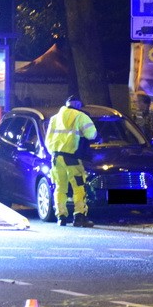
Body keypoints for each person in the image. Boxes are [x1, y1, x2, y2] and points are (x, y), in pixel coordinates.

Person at [44, 95, 97, 228]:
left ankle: (61, 217)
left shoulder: (55, 118)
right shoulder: (80, 116)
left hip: (56, 158)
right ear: (78, 104)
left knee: (60, 187)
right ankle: (79, 216)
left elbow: (47, 141)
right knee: (78, 187)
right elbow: (92, 135)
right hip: (72, 158)